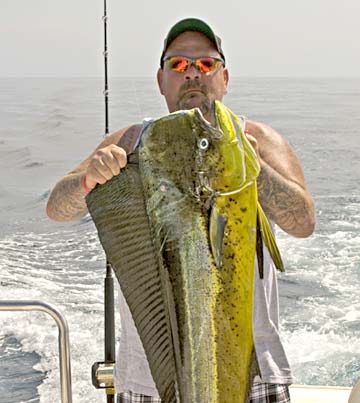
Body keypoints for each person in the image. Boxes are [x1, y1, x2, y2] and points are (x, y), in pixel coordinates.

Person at [46, 17, 315, 403]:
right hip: (146, 380)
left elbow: (303, 222)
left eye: (206, 65)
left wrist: (256, 171)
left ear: (225, 77)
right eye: (178, 65)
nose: (192, 74)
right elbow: (58, 208)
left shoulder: (258, 141)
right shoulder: (130, 141)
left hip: (253, 375)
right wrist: (89, 176)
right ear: (161, 80)